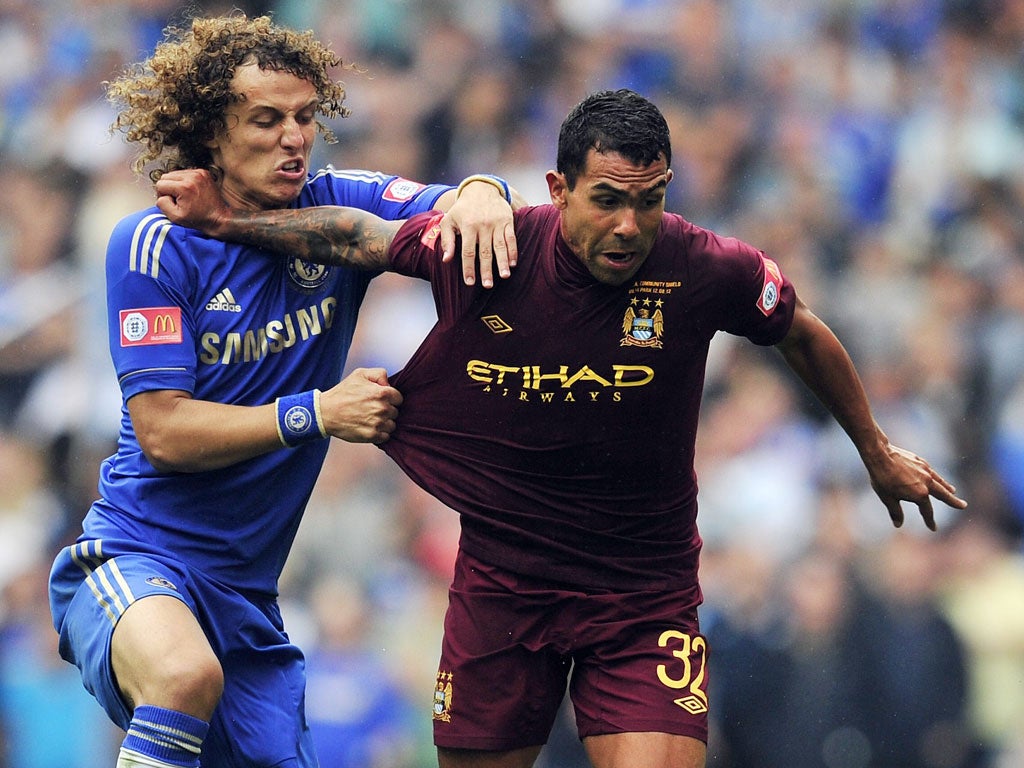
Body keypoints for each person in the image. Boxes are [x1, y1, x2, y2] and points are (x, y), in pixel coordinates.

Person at [155, 88, 968, 768]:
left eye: (648, 202)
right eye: (607, 200)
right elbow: (356, 237)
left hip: (641, 598)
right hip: (502, 590)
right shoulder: (494, 249)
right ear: (558, 187)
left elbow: (801, 329)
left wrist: (875, 450)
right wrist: (223, 224)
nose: (628, 226)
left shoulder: (707, 267)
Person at [46, 13, 523, 768]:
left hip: (246, 602)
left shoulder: (337, 207)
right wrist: (319, 413)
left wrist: (483, 189)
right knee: (181, 675)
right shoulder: (153, 244)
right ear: (211, 132)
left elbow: (457, 202)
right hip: (136, 556)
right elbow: (164, 433)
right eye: (265, 120)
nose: (293, 137)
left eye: (305, 117)